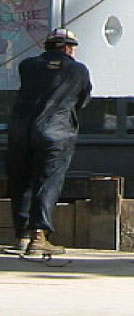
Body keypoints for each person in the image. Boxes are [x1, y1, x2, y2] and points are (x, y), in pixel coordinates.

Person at [5, 27, 92, 256]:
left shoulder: (27, 66)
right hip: (55, 132)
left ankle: (22, 236)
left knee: (20, 180)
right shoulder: (79, 70)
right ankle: (39, 236)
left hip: (20, 131)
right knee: (48, 181)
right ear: (69, 48)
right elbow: (82, 101)